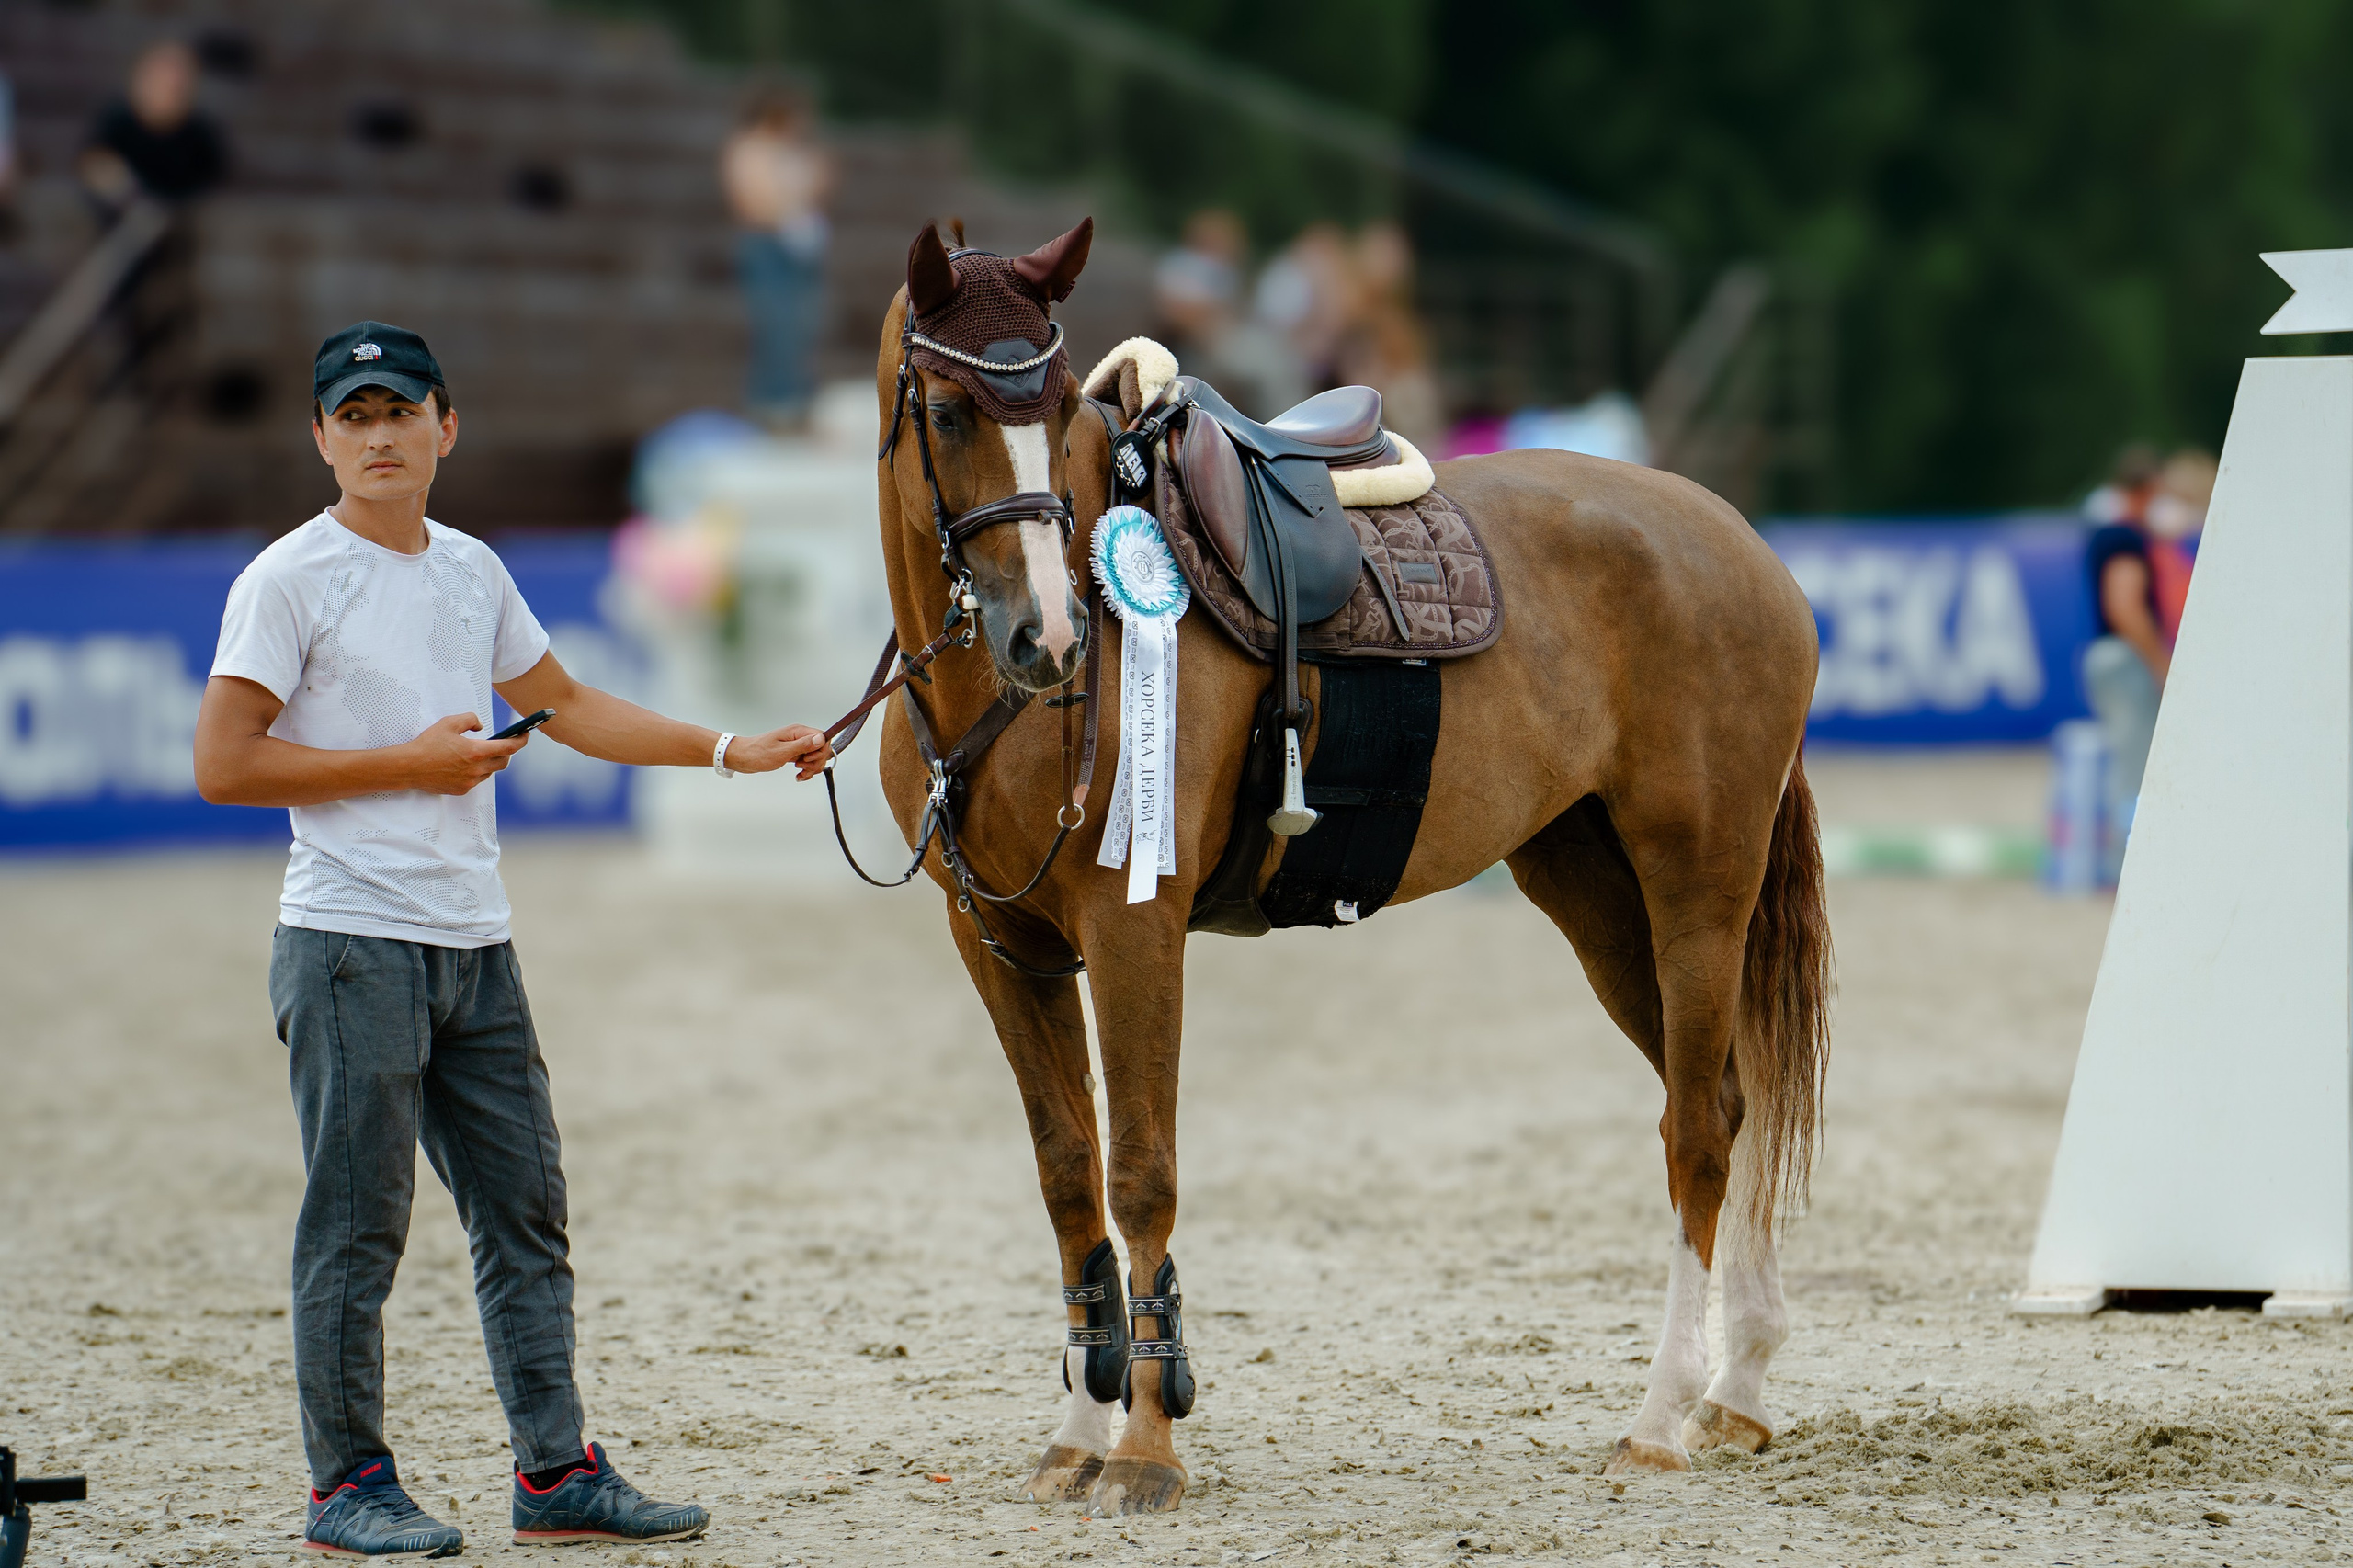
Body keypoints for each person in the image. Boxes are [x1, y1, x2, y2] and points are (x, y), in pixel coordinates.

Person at [193, 321, 833, 1557]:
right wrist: (412, 764)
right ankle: (345, 1488)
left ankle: (555, 1473)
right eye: (354, 415)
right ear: (320, 437)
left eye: (400, 410)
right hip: (349, 943)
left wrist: (728, 748)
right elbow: (223, 763)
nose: (379, 435)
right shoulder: (287, 579)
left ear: (446, 425)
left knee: (526, 1214)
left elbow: (568, 702)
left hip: (475, 944)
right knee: (356, 1229)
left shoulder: (471, 570)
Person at [2081, 444, 2211, 869]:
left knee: (2131, 760)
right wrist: (2160, 664)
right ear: (2147, 490)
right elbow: (2126, 607)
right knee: (2134, 765)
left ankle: (2123, 858)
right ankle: (2124, 862)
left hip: (2117, 658)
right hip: (2126, 659)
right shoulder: (2124, 538)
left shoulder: (2122, 535)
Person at [720, 86, 834, 430]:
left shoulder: (795, 152)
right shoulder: (749, 150)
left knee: (802, 326)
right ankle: (771, 405)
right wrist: (785, 218)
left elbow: (818, 186)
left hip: (798, 245)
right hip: (767, 245)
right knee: (774, 326)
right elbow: (752, 201)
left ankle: (796, 402)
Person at [76, 39, 227, 212]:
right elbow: (94, 166)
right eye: (162, 75)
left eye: (179, 77)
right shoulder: (115, 122)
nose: (171, 81)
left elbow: (211, 184)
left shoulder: (202, 133)